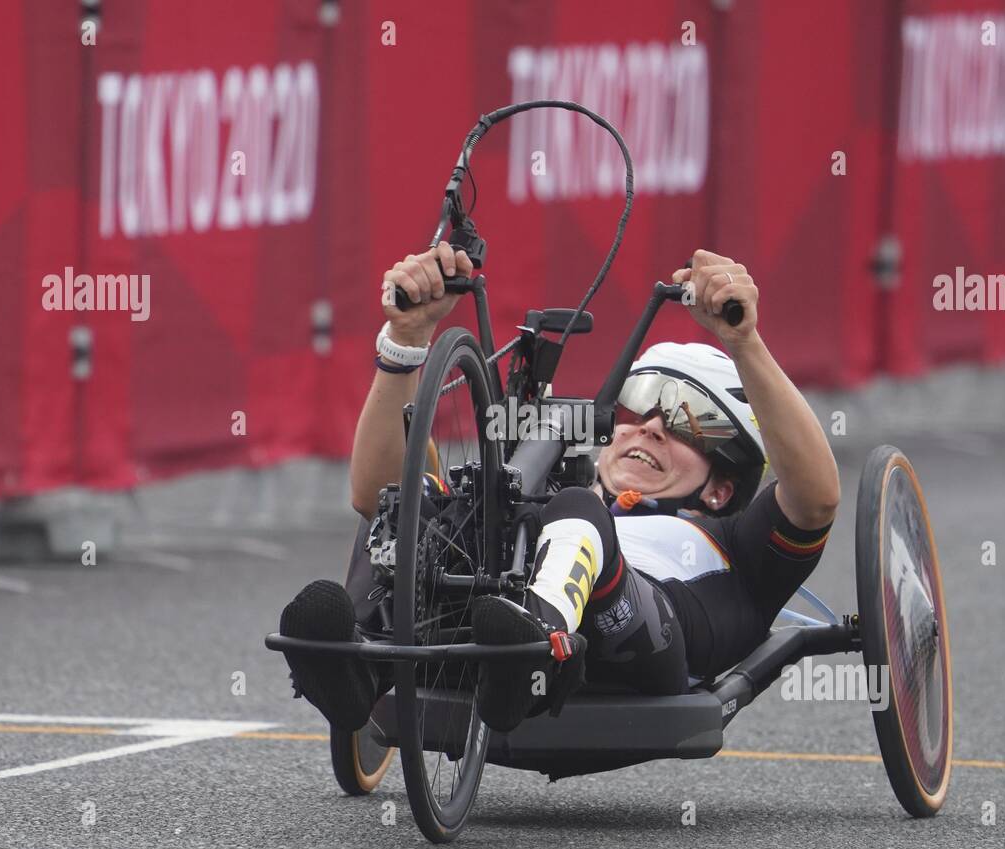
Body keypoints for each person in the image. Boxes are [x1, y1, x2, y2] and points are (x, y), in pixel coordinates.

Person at [280, 245, 840, 734]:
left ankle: (532, 649)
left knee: (576, 508)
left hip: (643, 640)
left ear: (722, 486)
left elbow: (815, 497)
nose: (651, 425)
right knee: (409, 500)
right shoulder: (550, 498)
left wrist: (745, 342)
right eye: (643, 402)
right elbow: (373, 490)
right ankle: (358, 666)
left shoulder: (736, 546)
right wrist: (406, 339)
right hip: (490, 616)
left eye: (691, 420)